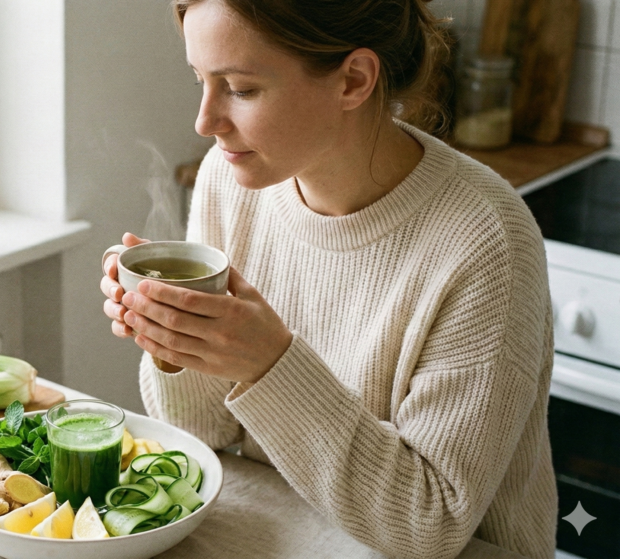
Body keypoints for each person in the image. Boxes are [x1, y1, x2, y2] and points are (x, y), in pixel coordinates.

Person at [99, 1, 557, 558]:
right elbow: (206, 436)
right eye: (201, 80)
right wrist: (172, 337)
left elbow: (430, 524)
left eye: (240, 89)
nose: (204, 121)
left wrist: (269, 363)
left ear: (354, 80)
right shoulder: (228, 178)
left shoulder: (486, 241)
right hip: (288, 534)